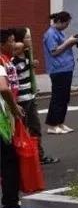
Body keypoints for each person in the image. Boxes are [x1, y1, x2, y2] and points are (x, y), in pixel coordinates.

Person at [1, 28, 40, 208]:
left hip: (5, 120)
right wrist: (14, 107)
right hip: (2, 123)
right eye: (10, 41)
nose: (14, 44)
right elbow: (3, 88)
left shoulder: (7, 60)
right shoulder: (1, 62)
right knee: (9, 163)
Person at [12, 30, 56, 165]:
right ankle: (22, 158)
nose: (30, 40)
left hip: (30, 97)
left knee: (35, 127)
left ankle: (38, 155)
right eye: (27, 38)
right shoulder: (14, 59)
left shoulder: (27, 55)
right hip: (21, 100)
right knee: (22, 130)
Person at [42, 11, 78, 134]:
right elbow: (54, 51)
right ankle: (52, 125)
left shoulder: (59, 32)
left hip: (66, 68)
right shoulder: (50, 34)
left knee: (64, 98)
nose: (66, 26)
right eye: (65, 24)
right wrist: (69, 42)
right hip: (58, 69)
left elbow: (62, 47)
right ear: (58, 21)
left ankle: (60, 123)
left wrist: (71, 41)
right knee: (58, 98)